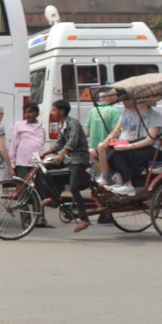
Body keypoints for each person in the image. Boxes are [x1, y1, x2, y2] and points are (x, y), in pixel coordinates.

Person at [34, 99, 93, 233]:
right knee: (42, 169)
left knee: (73, 188)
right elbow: (59, 144)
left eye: (54, 110)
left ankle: (84, 219)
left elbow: (72, 141)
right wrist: (44, 154)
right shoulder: (62, 125)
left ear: (62, 111)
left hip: (78, 159)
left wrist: (61, 155)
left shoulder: (73, 124)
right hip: (68, 158)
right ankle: (55, 197)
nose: (52, 112)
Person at [101, 93, 162, 191]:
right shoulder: (135, 114)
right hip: (143, 145)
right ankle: (121, 180)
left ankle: (128, 185)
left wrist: (128, 147)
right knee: (112, 151)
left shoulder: (155, 116)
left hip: (157, 148)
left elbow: (150, 140)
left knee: (120, 153)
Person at [9, 102, 46, 172]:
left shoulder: (42, 127)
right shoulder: (19, 125)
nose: (27, 115)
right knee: (23, 182)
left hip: (37, 163)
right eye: (25, 112)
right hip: (22, 163)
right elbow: (13, 145)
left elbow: (42, 143)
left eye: (30, 112)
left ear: (37, 113)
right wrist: (12, 164)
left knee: (43, 182)